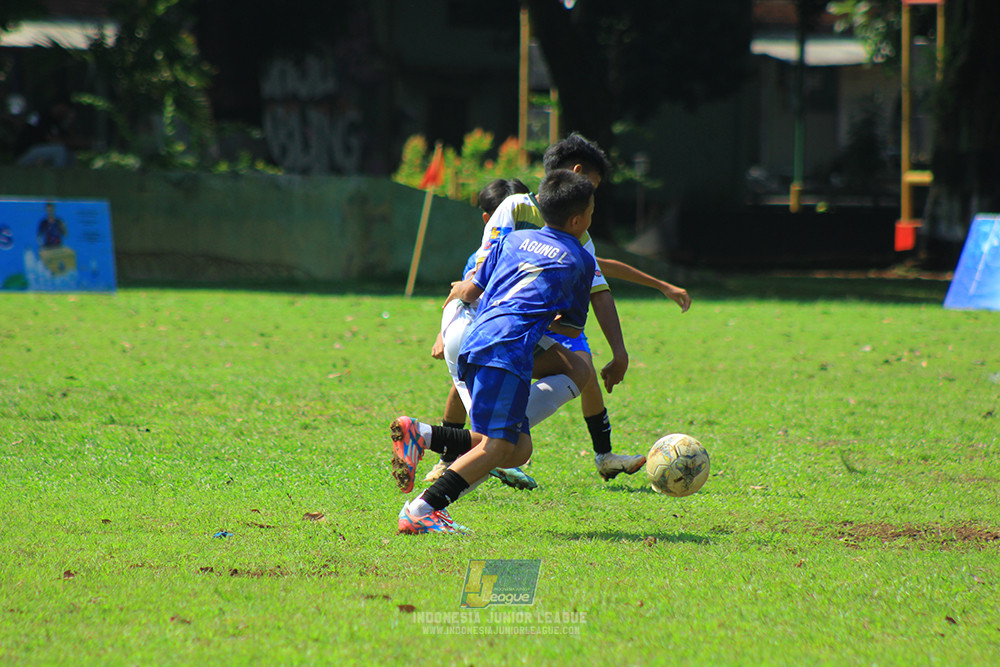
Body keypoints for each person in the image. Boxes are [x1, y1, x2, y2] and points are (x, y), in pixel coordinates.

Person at [444, 133, 691, 482]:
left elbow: (599, 279)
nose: (594, 197)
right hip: (496, 320)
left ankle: (600, 454)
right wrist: (450, 322)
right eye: (594, 185)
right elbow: (478, 272)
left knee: (582, 370)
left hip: (541, 321)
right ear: (577, 174)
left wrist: (622, 346)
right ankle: (451, 454)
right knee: (475, 384)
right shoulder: (516, 209)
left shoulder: (579, 234)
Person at [396, 169, 598, 534]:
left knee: (516, 449)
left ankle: (422, 435)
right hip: (508, 350)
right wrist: (542, 318)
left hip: (475, 339)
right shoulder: (579, 259)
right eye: (592, 213)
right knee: (499, 447)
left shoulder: (513, 241)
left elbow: (474, 289)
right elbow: (571, 327)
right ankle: (423, 509)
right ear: (578, 219)